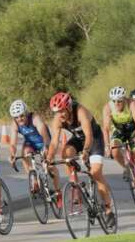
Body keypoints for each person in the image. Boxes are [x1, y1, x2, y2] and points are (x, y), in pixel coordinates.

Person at [46, 91, 115, 229]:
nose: (60, 115)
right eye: (57, 112)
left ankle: (109, 210)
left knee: (96, 173)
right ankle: (75, 186)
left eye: (62, 111)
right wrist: (48, 158)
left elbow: (89, 136)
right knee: (66, 154)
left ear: (68, 107)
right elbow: (54, 142)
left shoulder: (81, 112)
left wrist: (86, 152)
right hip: (78, 139)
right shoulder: (58, 119)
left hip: (94, 140)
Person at [5, 99, 60, 207]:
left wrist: (46, 148)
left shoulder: (34, 118)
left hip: (44, 141)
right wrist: (12, 155)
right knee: (24, 152)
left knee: (51, 166)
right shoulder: (15, 124)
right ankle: (33, 178)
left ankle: (58, 192)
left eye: (21, 115)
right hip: (30, 144)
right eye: (16, 117)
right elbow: (13, 144)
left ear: (26, 113)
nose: (19, 119)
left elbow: (44, 133)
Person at [101, 86, 135, 188]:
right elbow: (105, 129)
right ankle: (126, 167)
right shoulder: (108, 107)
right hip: (119, 131)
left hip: (133, 131)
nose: (116, 103)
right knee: (114, 151)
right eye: (114, 101)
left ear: (124, 99)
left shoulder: (131, 104)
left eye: (119, 101)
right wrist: (107, 146)